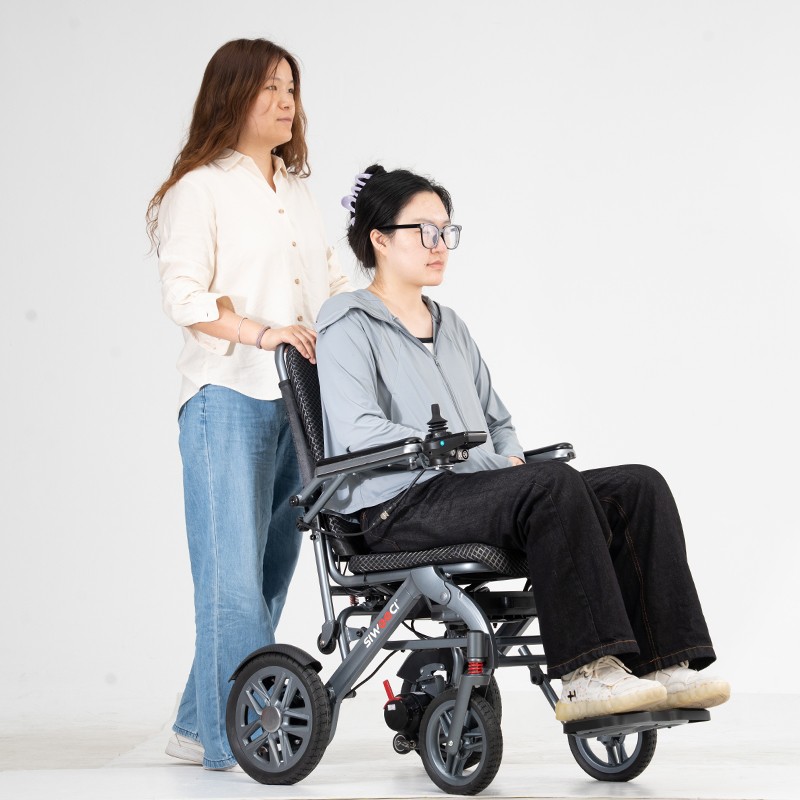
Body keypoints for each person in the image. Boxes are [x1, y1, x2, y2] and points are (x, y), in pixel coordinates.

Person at [315, 164, 729, 723]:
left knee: (638, 486)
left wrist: (503, 458)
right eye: (425, 231)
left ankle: (663, 665)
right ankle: (587, 677)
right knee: (550, 486)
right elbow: (357, 430)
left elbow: (498, 419)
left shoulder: (450, 324)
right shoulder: (348, 319)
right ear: (380, 239)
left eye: (447, 231)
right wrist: (481, 460)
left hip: (466, 493)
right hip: (395, 505)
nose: (440, 245)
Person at [146, 39, 348, 769]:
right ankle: (247, 742)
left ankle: (197, 725)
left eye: (291, 87)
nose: (286, 100)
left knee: (269, 571)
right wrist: (263, 333)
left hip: (298, 405)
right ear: (231, 95)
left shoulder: (296, 191)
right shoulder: (199, 189)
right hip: (227, 398)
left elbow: (329, 283)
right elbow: (185, 297)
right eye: (269, 87)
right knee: (230, 579)